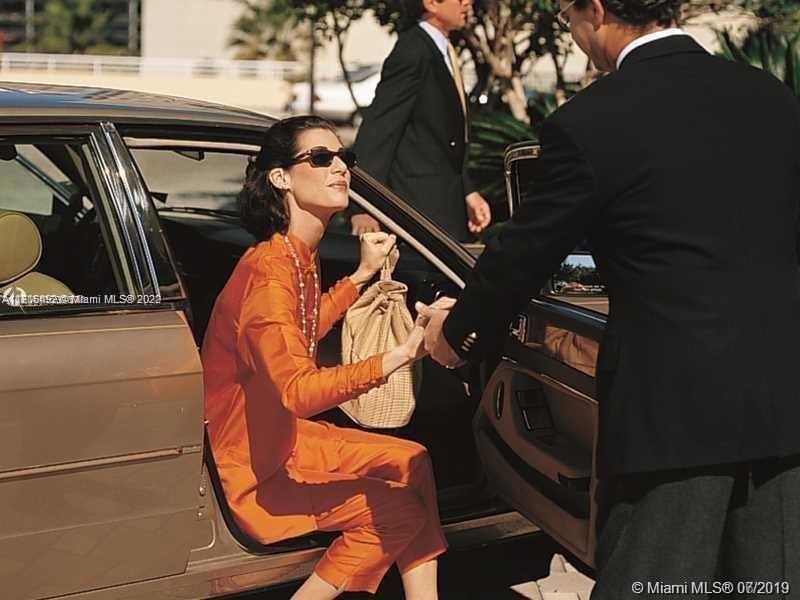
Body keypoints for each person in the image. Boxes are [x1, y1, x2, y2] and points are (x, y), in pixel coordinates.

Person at [420, 0, 800, 597]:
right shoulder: (772, 99)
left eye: (570, 15)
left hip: (674, 413)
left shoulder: (594, 119)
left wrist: (454, 335)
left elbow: (525, 253)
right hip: (784, 400)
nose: (572, 31)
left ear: (596, 10)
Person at [202, 115, 447, 600]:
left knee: (411, 461)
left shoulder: (295, 254)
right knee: (397, 511)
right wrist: (400, 354)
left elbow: (302, 328)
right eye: (321, 158)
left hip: (278, 439)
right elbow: (298, 391)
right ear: (280, 178)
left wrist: (359, 277)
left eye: (344, 158)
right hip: (254, 470)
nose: (341, 167)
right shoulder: (270, 274)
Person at [350, 0, 491, 241]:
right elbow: (380, 128)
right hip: (418, 210)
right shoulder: (413, 50)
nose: (468, 2)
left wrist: (468, 192)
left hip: (444, 206)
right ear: (432, 3)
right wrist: (364, 206)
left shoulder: (442, 49)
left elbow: (443, 139)